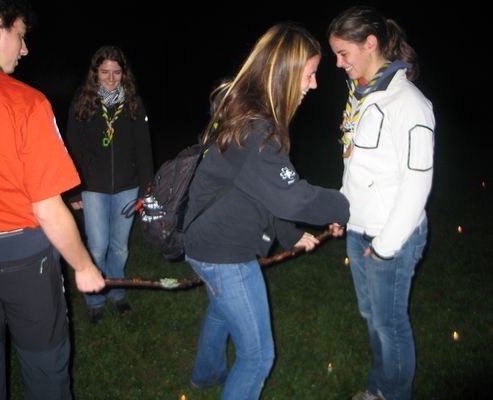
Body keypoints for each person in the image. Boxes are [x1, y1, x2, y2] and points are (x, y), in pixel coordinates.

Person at [183, 22, 350, 400]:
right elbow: (294, 198)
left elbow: (262, 190)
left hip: (204, 240)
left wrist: (290, 234)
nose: (314, 85)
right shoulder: (259, 128)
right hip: (224, 252)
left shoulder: (245, 111)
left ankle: (206, 374)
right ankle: (211, 375)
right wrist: (347, 205)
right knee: (258, 357)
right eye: (309, 74)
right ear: (285, 73)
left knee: (222, 309)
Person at [0, 0, 106, 399]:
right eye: (21, 36)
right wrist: (83, 266)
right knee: (46, 371)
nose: (24, 49)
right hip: (23, 263)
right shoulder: (24, 101)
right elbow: (47, 208)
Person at [327, 6, 435, 400]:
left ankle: (393, 392)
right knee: (372, 317)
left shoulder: (408, 103)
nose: (338, 64)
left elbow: (417, 183)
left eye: (343, 53)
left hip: (393, 237)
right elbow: (356, 165)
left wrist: (385, 248)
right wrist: (343, 212)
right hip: (360, 231)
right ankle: (380, 387)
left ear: (370, 44)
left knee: (390, 324)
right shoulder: (363, 96)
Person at [66, 45, 154, 324]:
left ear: (123, 73)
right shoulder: (83, 101)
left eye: (116, 72)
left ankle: (117, 291)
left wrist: (146, 188)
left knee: (120, 248)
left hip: (128, 187)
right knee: (97, 247)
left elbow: (144, 148)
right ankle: (95, 298)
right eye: (105, 72)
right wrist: (73, 190)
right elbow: (73, 148)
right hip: (92, 188)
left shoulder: (133, 103)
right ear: (95, 73)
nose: (111, 78)